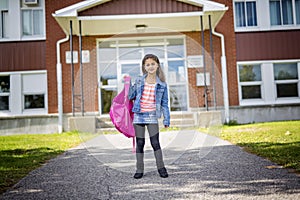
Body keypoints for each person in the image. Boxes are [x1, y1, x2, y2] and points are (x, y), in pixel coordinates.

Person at [128, 54, 170, 179]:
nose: (150, 66)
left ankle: (161, 167)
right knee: (140, 143)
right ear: (144, 67)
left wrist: (166, 119)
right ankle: (139, 169)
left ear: (157, 65)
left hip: (152, 116)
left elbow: (164, 104)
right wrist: (129, 84)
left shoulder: (162, 84)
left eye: (153, 64)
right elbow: (130, 96)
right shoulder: (140, 80)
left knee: (155, 143)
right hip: (139, 116)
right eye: (148, 64)